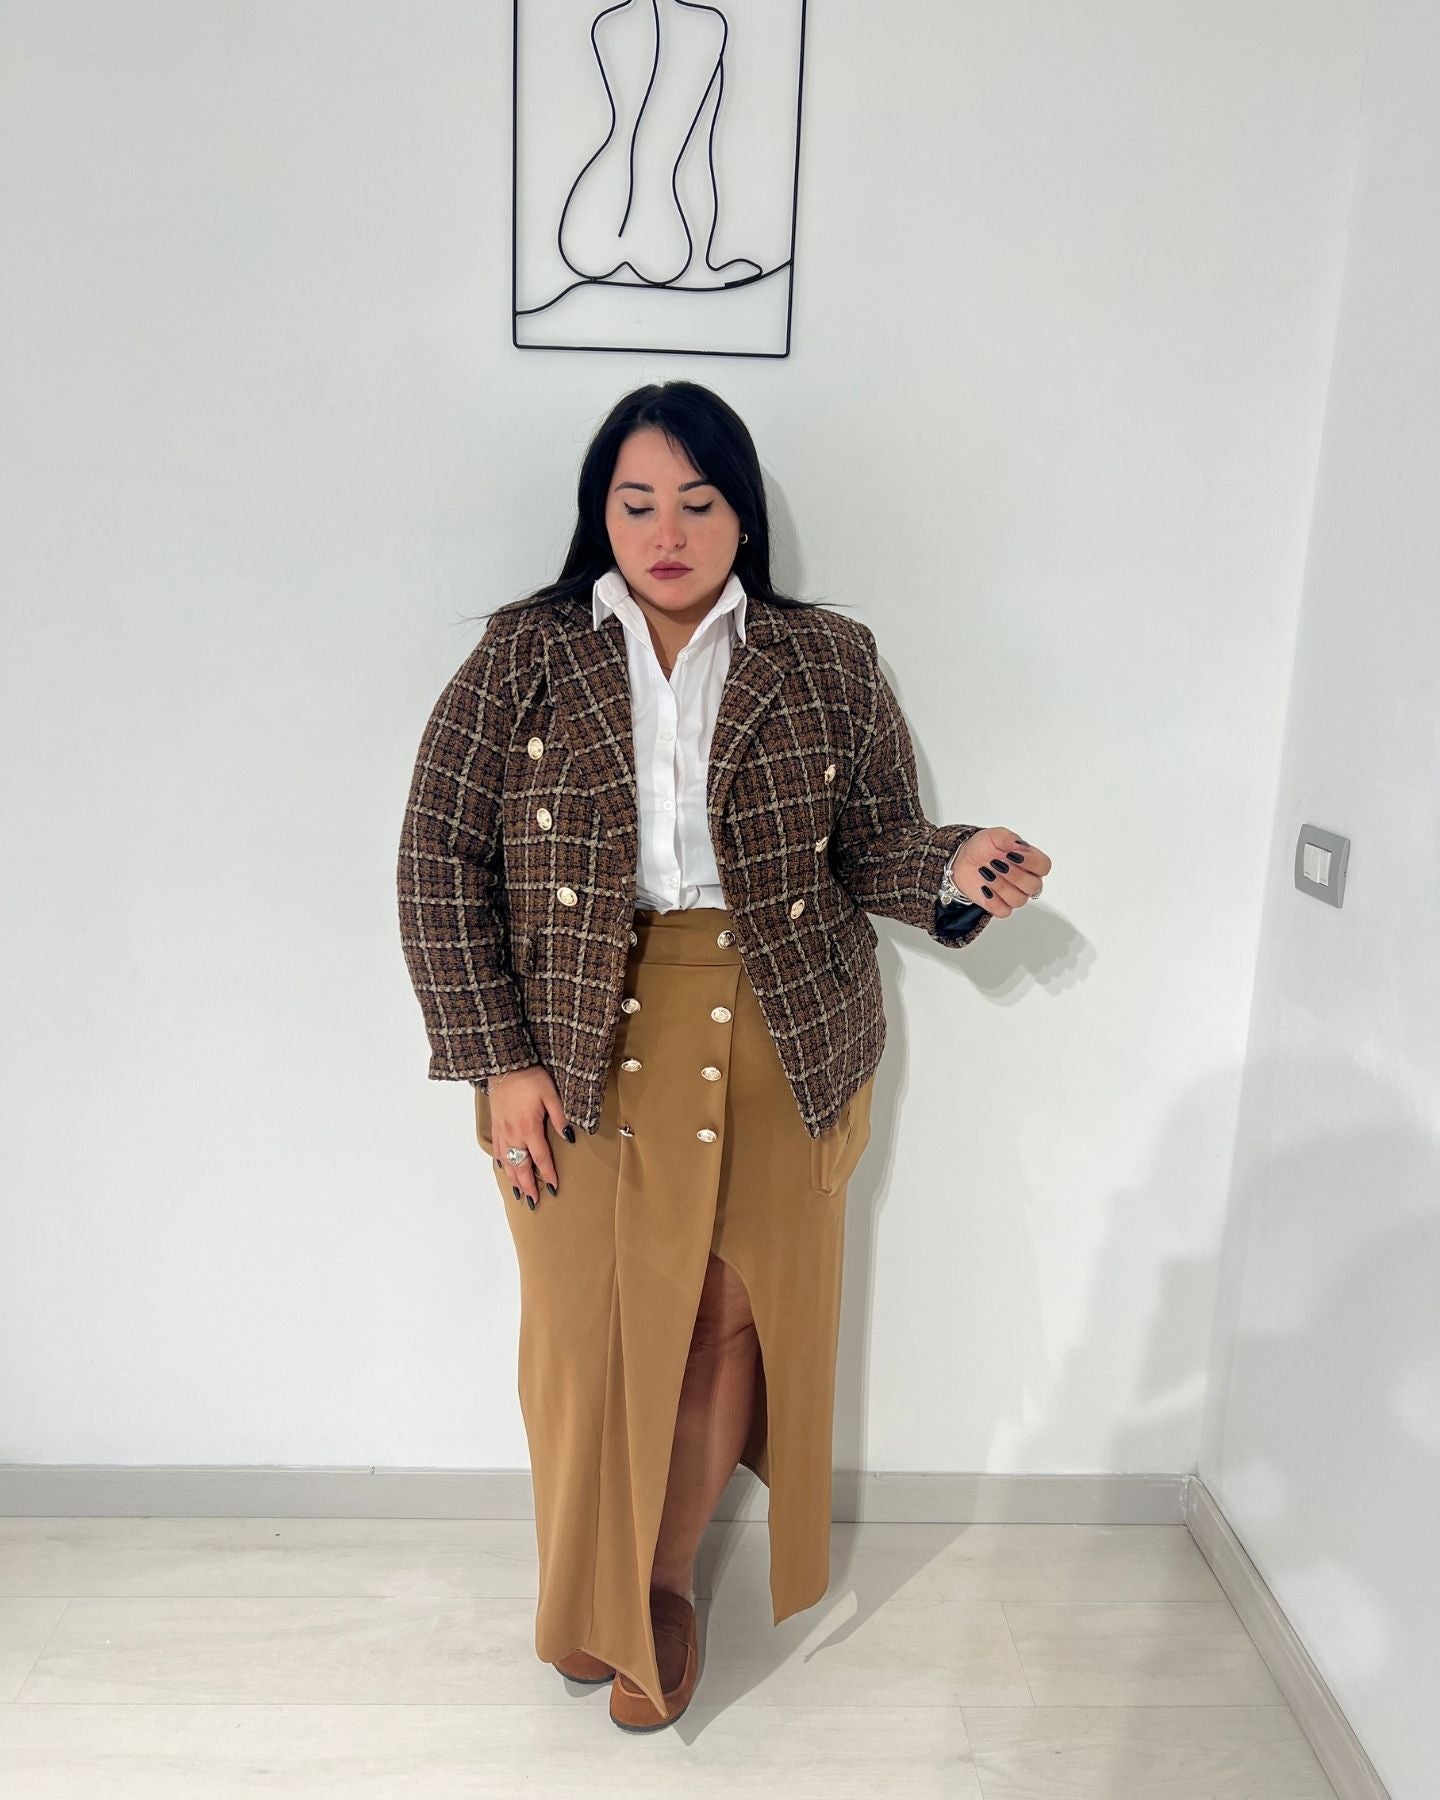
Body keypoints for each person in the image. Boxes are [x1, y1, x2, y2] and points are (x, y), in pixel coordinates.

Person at [396, 380, 1050, 1732]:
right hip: (572, 1040)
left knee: (721, 1317)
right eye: (636, 502)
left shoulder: (827, 658)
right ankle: (582, 1591)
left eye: (698, 502)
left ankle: (661, 1587)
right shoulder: (521, 656)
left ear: (742, 514)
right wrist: (498, 1060)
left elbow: (877, 842)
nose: (667, 531)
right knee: (581, 1336)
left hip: (781, 1030)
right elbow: (438, 859)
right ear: (600, 515)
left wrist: (956, 865)